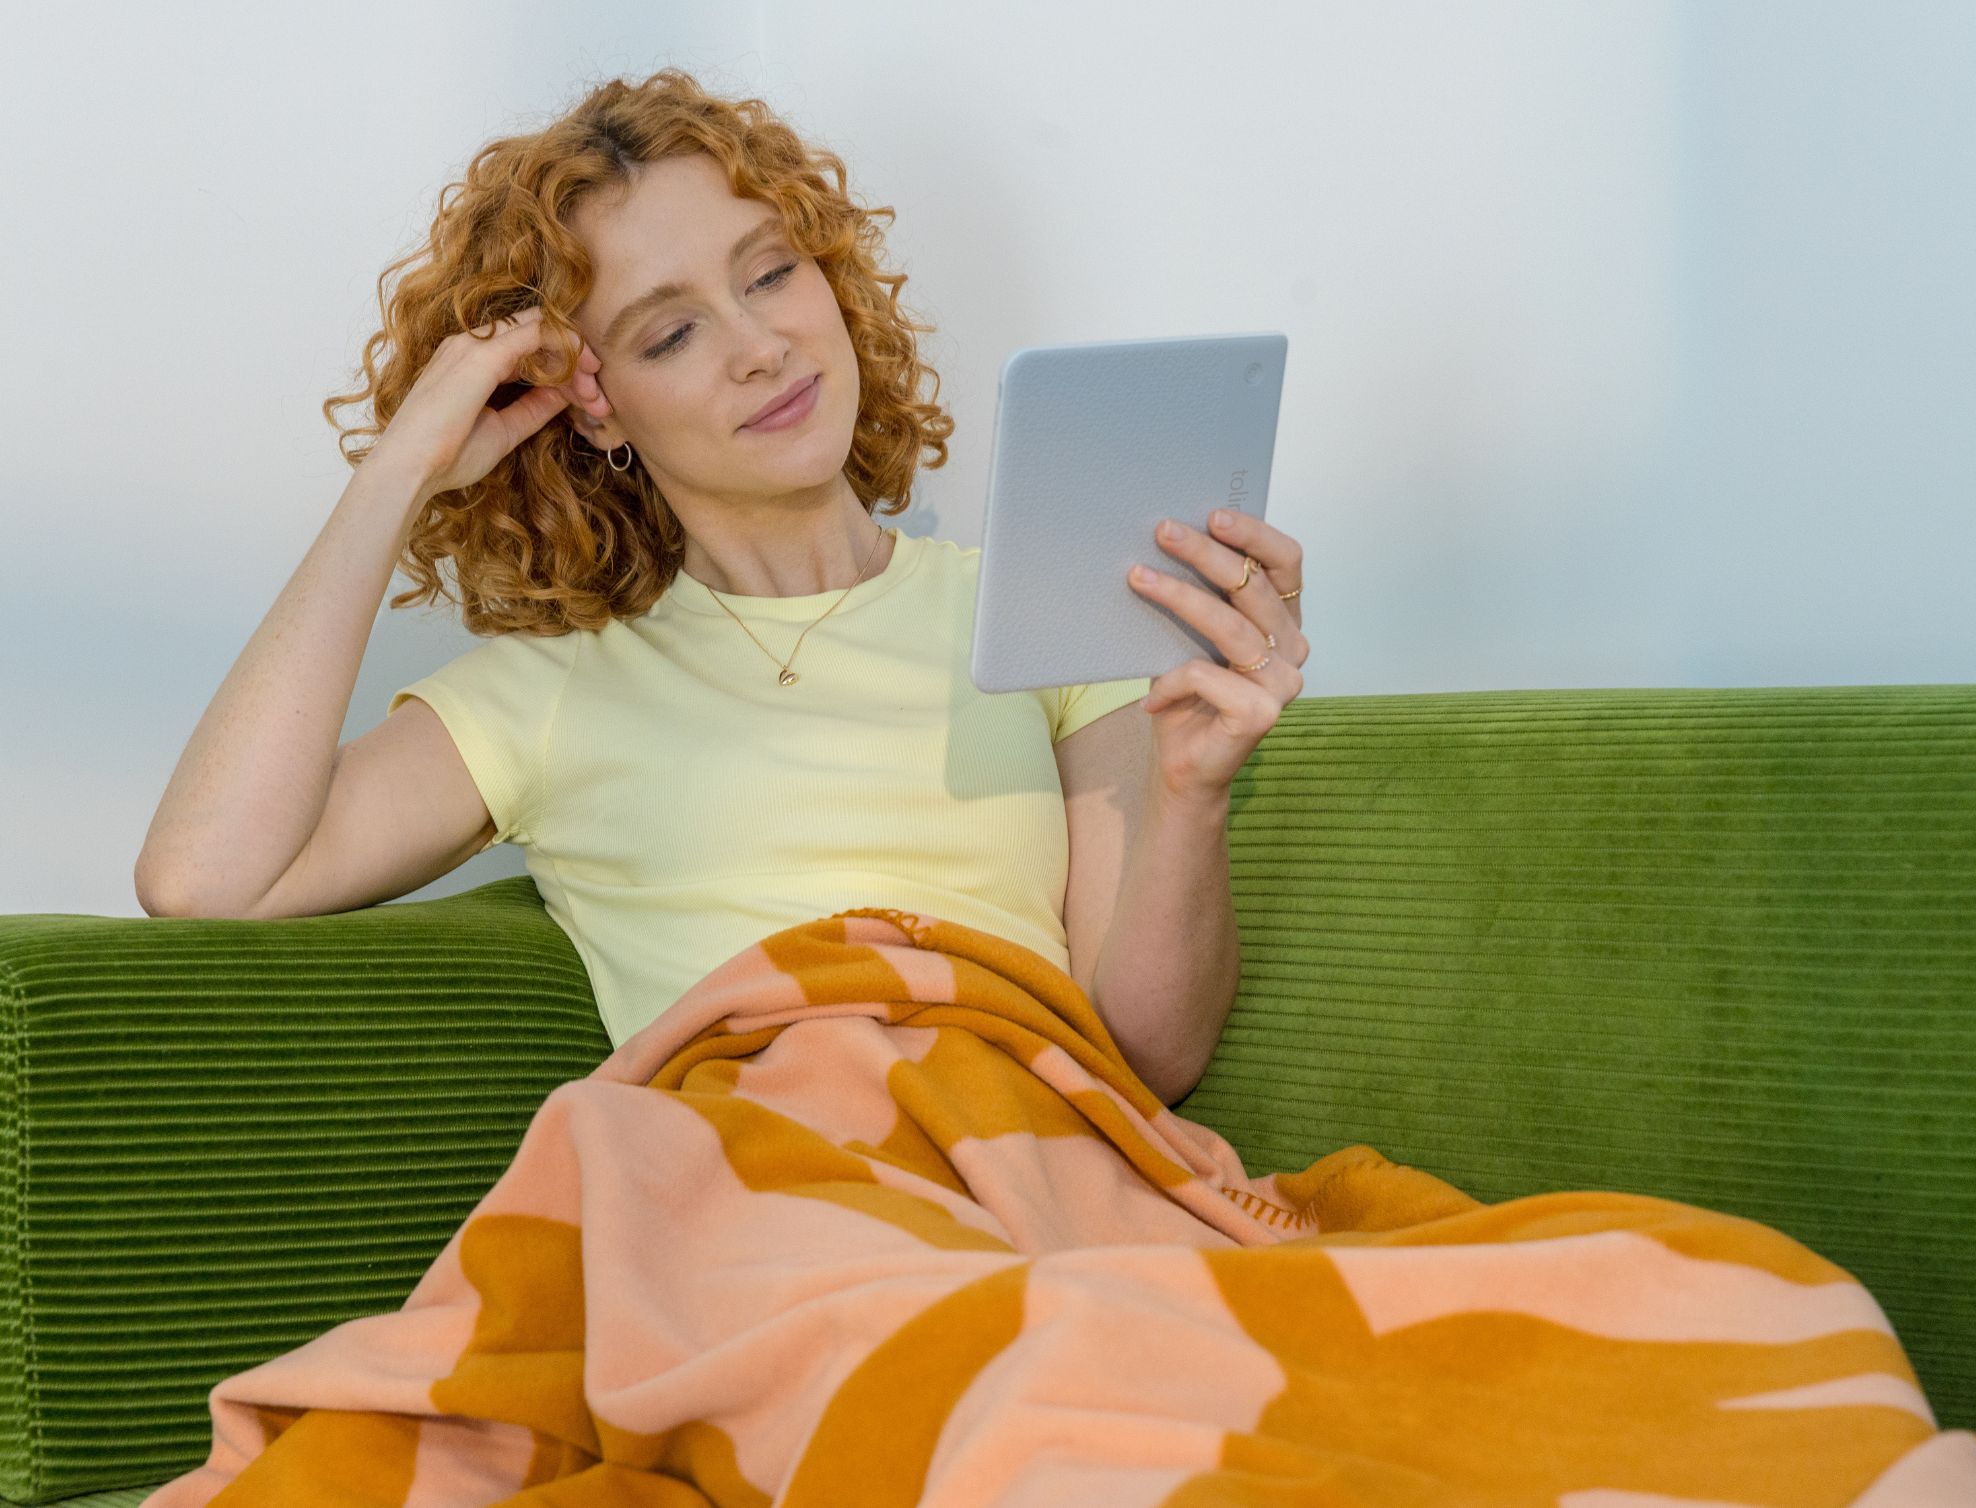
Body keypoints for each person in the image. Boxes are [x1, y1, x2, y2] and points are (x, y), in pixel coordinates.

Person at [134, 65, 1312, 1070]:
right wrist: (399, 473)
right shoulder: (555, 690)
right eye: (670, 332)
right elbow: (203, 876)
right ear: (590, 408)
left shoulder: (1038, 612)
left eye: (769, 272)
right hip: (747, 1208)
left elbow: (1145, 1059)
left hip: (1012, 1175)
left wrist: (1191, 791)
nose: (760, 347)